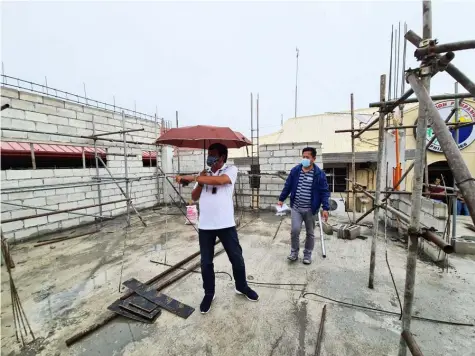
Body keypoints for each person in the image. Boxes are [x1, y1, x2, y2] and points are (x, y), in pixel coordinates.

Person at [176, 143, 258, 314]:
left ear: (222, 157)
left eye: (213, 155)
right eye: (208, 154)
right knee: (206, 262)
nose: (209, 157)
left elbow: (221, 181)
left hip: (226, 224)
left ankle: (241, 287)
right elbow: (194, 196)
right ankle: (209, 293)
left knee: (236, 258)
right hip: (206, 225)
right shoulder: (203, 175)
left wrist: (193, 178)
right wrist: (199, 180)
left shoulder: (231, 170)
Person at [277, 147, 330, 265]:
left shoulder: (319, 174)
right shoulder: (296, 170)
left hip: (311, 210)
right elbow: (288, 185)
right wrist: (281, 199)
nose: (305, 159)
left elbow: (324, 192)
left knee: (310, 233)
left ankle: (307, 255)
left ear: (314, 159)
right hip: (296, 207)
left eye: (307, 157)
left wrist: (325, 208)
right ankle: (294, 253)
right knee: (295, 230)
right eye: (303, 157)